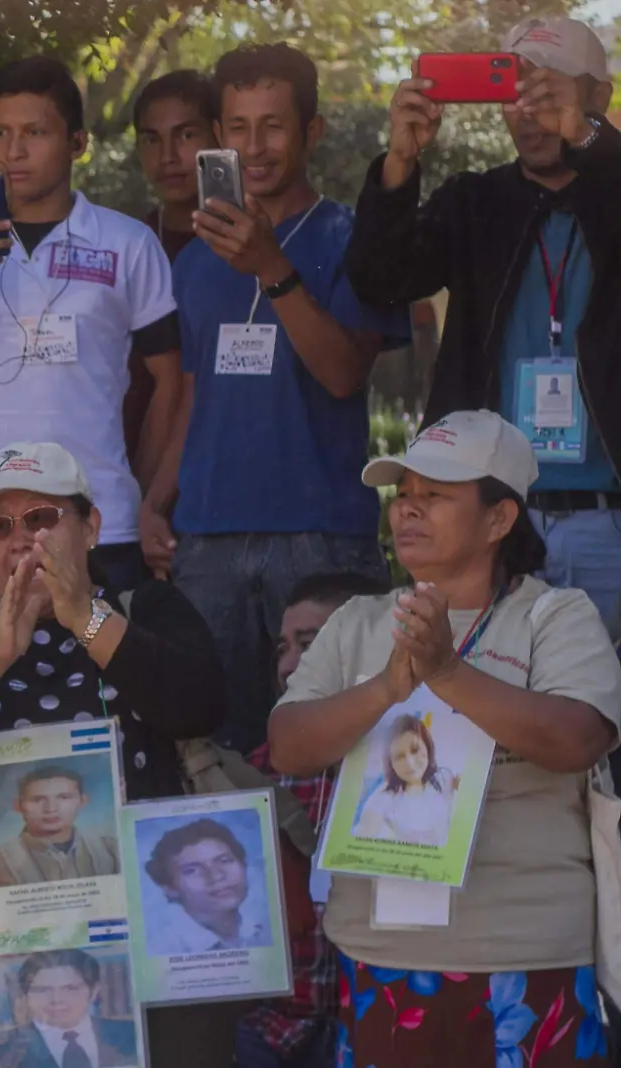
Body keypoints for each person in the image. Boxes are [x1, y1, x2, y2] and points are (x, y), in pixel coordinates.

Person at [269, 410, 621, 1067]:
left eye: (436, 496)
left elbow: (578, 740)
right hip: (382, 955)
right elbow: (288, 745)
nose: (409, 510)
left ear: (499, 519)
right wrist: (384, 690)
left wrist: (448, 673)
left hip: (525, 953)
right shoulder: (357, 623)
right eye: (403, 495)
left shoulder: (554, 617)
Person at [0, 440, 230, 1066]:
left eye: (41, 519)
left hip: (149, 935)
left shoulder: (148, 608)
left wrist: (82, 619)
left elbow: (200, 703)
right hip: (14, 942)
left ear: (89, 527)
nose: (21, 541)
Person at [148, 44, 408, 753]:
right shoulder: (199, 255)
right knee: (215, 748)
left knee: (340, 744)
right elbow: (196, 397)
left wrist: (273, 269)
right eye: (237, 127)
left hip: (318, 531)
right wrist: (156, 502)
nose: (254, 147)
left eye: (273, 126)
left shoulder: (350, 237)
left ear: (311, 132)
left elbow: (343, 374)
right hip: (208, 538)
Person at [347, 15, 621, 639]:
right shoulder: (477, 201)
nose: (531, 112)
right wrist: (399, 162)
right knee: (488, 716)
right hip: (494, 523)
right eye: (513, 93)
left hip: (610, 523)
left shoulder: (613, 191)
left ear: (598, 97)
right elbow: (378, 278)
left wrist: (588, 138)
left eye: (550, 92)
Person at [0, 57, 182, 609]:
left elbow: (171, 382)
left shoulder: (127, 244)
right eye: (0, 133)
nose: (13, 152)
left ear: (77, 142)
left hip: (101, 520)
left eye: (34, 132)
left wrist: (146, 496)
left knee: (105, 689)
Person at [237, 571, 388, 1068]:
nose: (291, 666)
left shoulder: (408, 766)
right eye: (282, 648)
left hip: (373, 1014)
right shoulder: (253, 773)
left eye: (311, 644)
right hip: (269, 1025)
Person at [125, 69, 218, 474]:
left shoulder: (252, 246)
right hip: (127, 481)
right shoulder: (128, 245)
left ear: (217, 136)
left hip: (219, 479)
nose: (168, 156)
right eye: (151, 139)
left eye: (185, 135)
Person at [144, 818, 268, 955]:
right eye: (192, 870)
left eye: (225, 861)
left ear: (243, 865)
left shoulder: (266, 930)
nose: (216, 876)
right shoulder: (161, 950)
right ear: (170, 888)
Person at [0, 950, 138, 1068]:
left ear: (94, 991)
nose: (57, 1000)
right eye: (43, 990)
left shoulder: (133, 1034)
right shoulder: (5, 1055)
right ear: (25, 995)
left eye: (70, 989)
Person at [0, 767, 119, 887]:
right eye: (37, 800)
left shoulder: (111, 851)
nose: (51, 809)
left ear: (82, 801)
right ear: (18, 805)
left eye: (64, 797)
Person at [349, 715, 457, 847]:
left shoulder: (443, 778)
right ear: (391, 763)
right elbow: (363, 833)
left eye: (415, 750)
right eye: (399, 757)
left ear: (427, 747)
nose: (410, 763)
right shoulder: (385, 795)